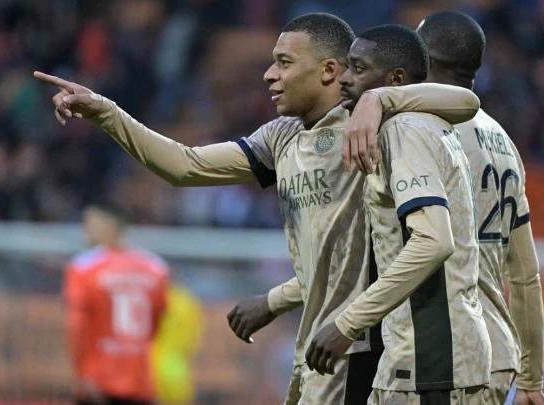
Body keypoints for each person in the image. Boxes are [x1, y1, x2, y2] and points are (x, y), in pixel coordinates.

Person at [36, 13, 480, 405]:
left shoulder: (374, 125)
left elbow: (465, 101)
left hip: (365, 346)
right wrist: (105, 112)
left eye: (284, 63)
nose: (269, 74)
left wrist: (379, 100)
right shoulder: (281, 136)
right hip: (318, 340)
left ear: (329, 70)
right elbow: (184, 166)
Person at [340, 11, 544, 405]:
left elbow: (430, 242)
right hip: (498, 353)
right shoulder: (503, 140)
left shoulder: (423, 130)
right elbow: (525, 273)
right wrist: (532, 378)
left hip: (443, 350)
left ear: (423, 63)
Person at [307, 24, 491, 405]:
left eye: (357, 68)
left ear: (396, 79)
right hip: (431, 359)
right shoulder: (430, 122)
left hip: (429, 364)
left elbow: (433, 241)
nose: (343, 78)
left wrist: (348, 323)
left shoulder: (403, 130)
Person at [63, 202, 170, 405]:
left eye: (88, 224)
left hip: (98, 382)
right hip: (140, 381)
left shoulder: (83, 267)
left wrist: (82, 374)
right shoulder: (156, 268)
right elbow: (157, 324)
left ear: (109, 225)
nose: (84, 231)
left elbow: (76, 326)